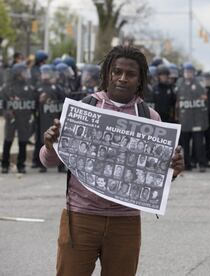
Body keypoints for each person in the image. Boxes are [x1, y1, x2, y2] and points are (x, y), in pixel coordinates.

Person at [40, 45, 184, 276]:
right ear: (107, 74)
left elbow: (155, 176)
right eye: (116, 72)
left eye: (130, 74)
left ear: (140, 80)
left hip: (125, 223)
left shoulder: (150, 117)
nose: (122, 78)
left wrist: (172, 171)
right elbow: (48, 161)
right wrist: (50, 146)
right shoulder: (85, 107)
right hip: (80, 217)